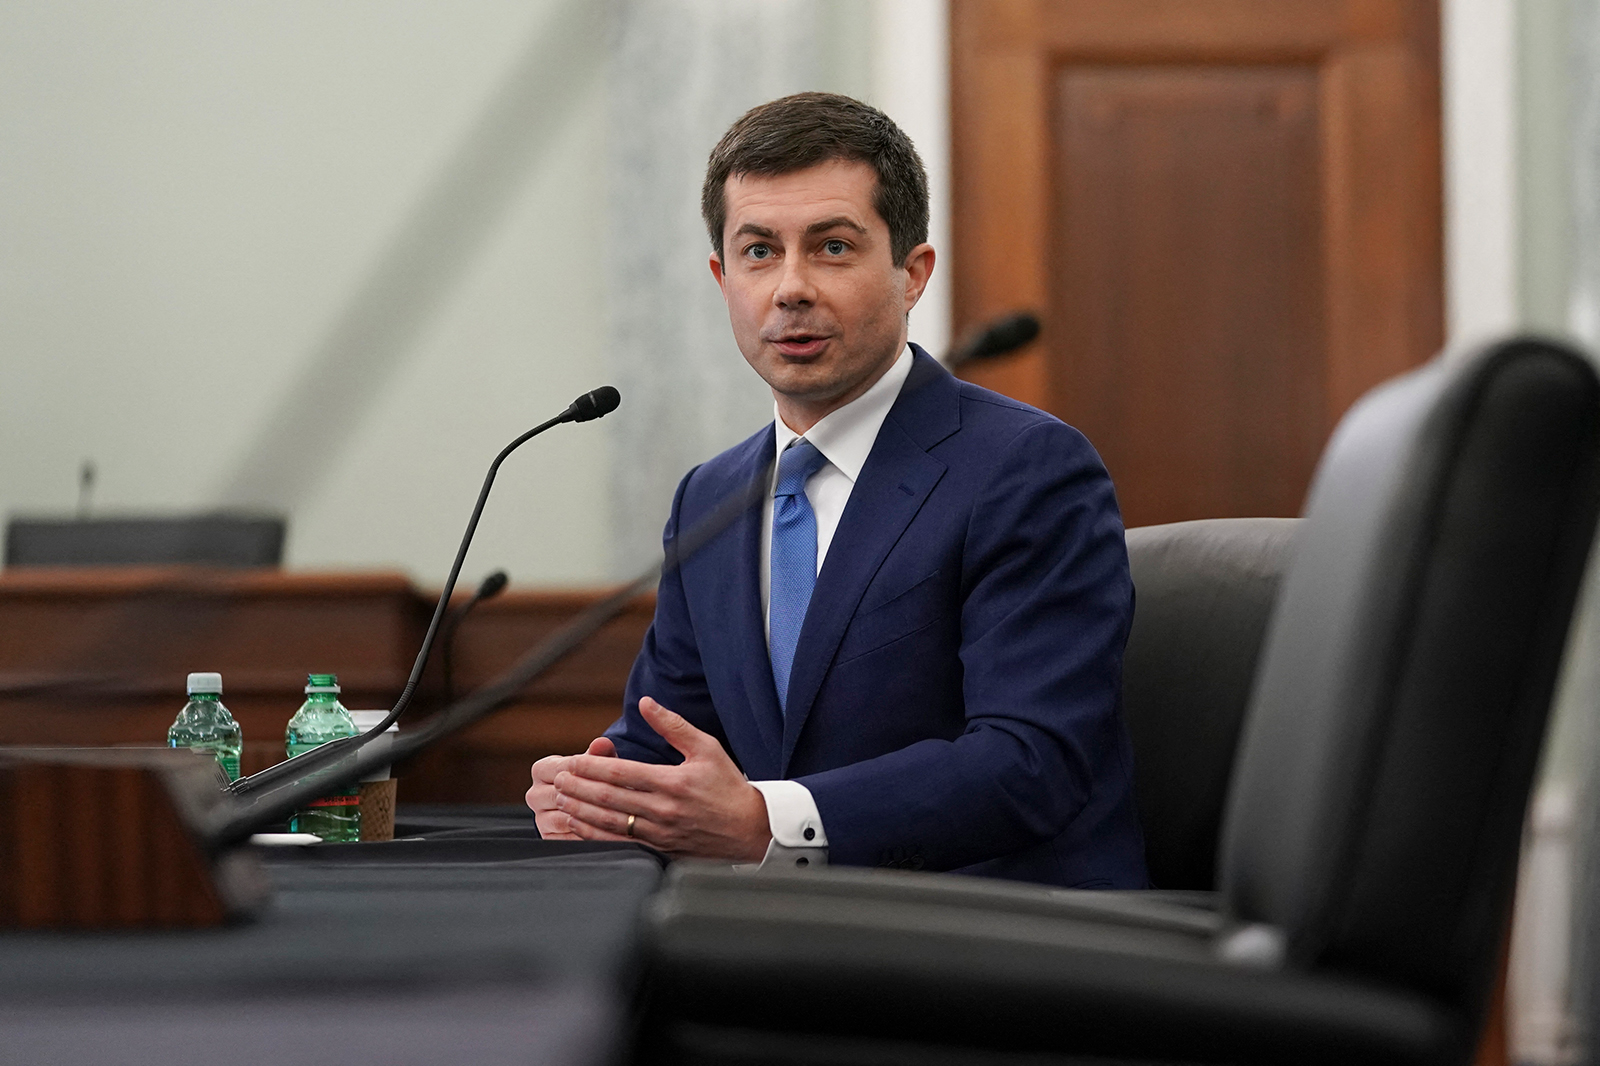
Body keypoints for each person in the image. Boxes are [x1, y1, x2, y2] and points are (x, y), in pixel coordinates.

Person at [526, 92, 1146, 887]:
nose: (789, 288)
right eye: (758, 252)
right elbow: (667, 739)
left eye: (831, 247)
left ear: (912, 273)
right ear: (722, 278)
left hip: (1005, 943)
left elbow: (1030, 763)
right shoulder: (711, 499)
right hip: (796, 938)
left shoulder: (1029, 469)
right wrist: (602, 796)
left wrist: (764, 821)